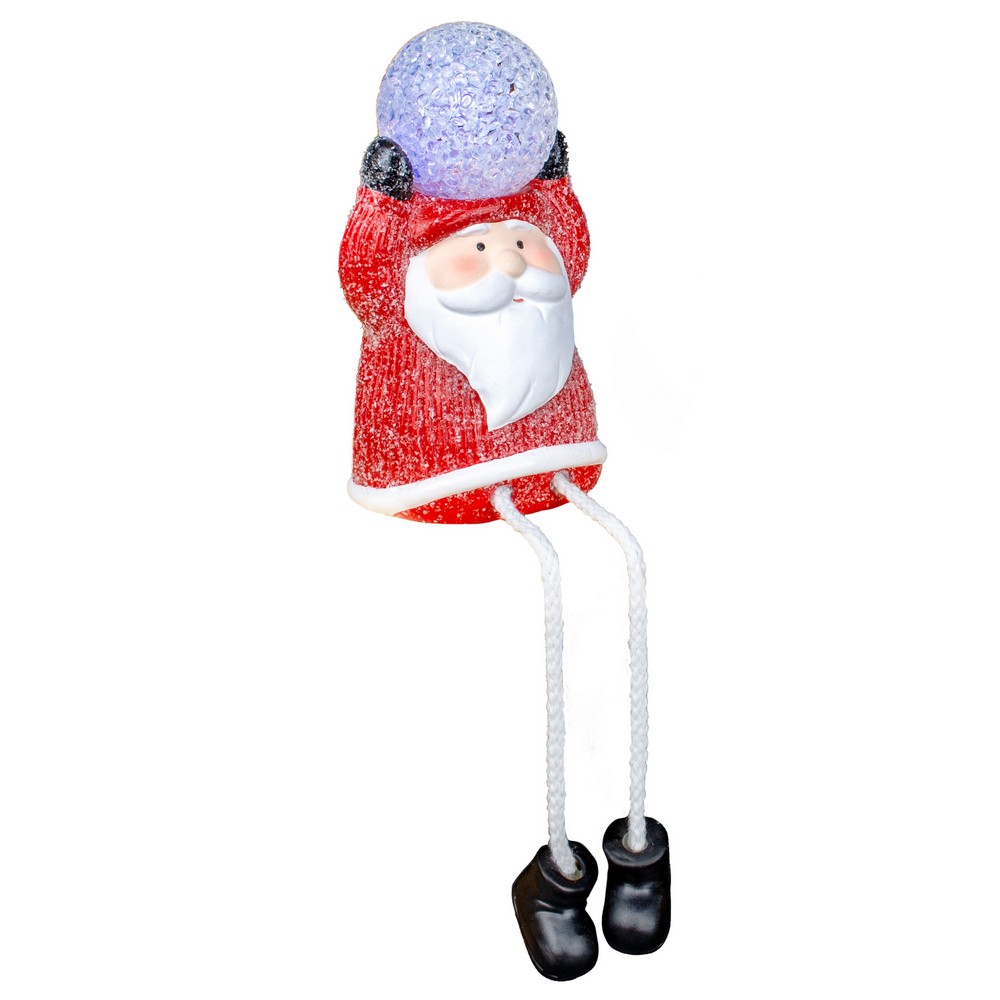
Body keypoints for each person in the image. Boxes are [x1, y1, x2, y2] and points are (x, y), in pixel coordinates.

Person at [339, 21, 671, 981]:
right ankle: (553, 873)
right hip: (433, 468)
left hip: (555, 446)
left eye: (520, 243)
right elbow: (369, 282)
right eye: (480, 249)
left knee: (621, 568)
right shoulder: (405, 259)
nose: (512, 263)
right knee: (534, 611)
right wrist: (380, 203)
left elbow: (571, 254)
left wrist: (556, 190)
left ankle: (638, 845)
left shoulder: (540, 239)